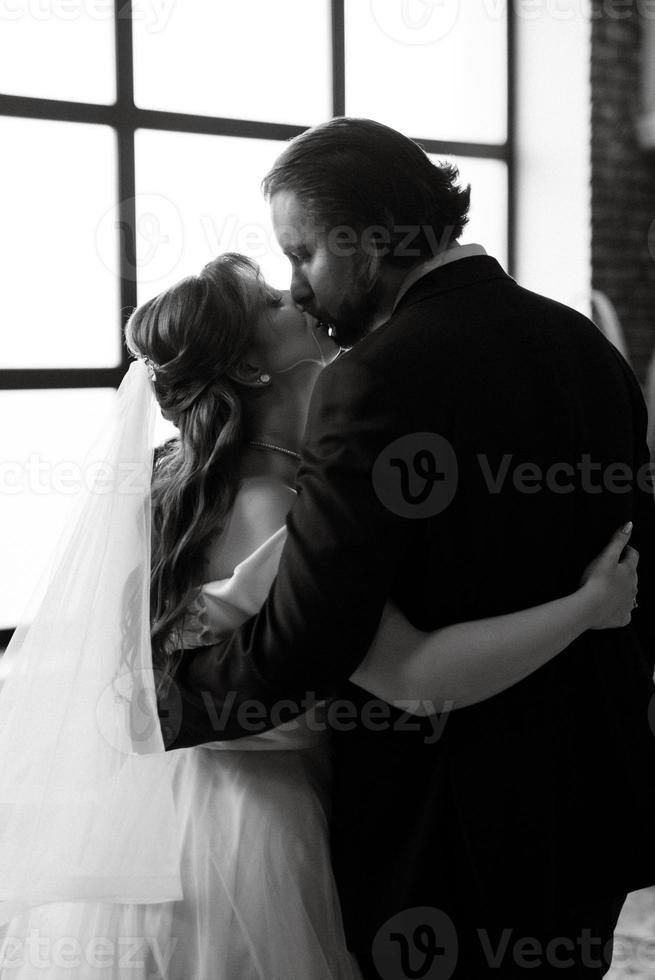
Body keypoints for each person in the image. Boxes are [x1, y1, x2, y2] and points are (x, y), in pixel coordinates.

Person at [0, 252, 638, 979]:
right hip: (259, 832)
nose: (296, 292)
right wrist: (589, 606)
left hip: (177, 810)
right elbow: (411, 677)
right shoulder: (281, 511)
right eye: (272, 299)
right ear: (249, 370)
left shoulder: (179, 475)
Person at [163, 119, 655, 979]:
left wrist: (163, 701)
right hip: (588, 796)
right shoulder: (587, 347)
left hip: (448, 825)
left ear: (376, 235)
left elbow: (314, 637)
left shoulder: (376, 378)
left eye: (305, 254)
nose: (299, 288)